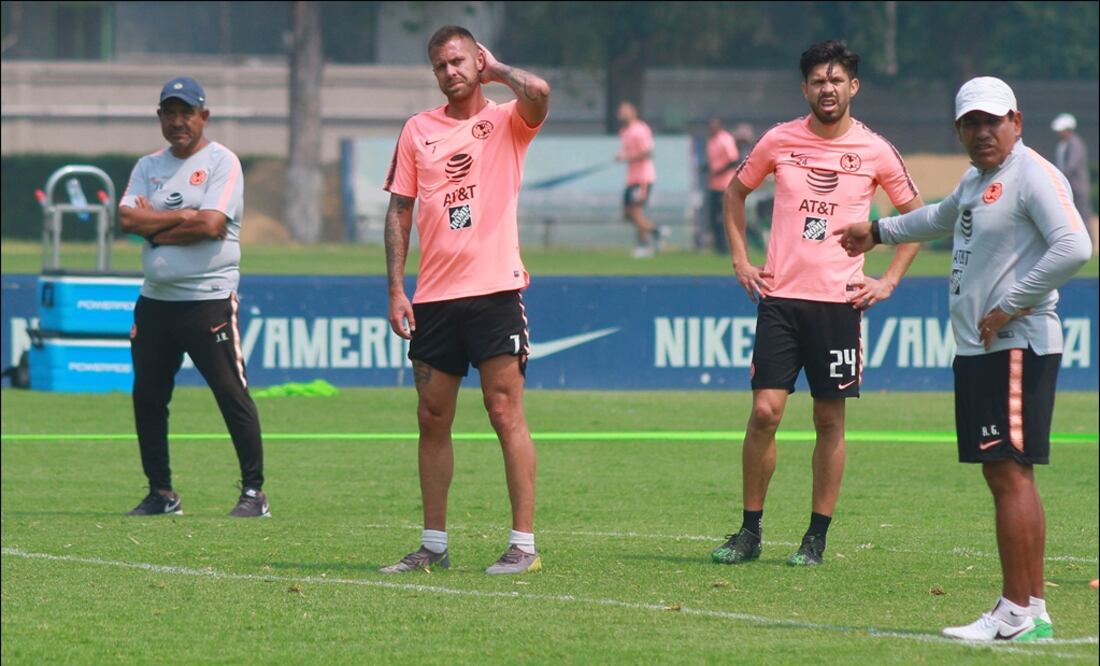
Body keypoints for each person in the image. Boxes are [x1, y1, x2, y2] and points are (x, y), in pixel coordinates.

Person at [836, 77, 1090, 642]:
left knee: (1009, 473)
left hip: (1015, 342)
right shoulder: (979, 181)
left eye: (992, 121)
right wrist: (875, 232)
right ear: (958, 130)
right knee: (1009, 474)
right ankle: (1033, 609)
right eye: (971, 123)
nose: (982, 131)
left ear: (1016, 122)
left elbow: (1075, 246)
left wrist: (1008, 304)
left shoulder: (1033, 175)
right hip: (984, 346)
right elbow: (938, 218)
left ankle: (1016, 611)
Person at [711, 40, 924, 567]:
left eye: (836, 80)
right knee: (765, 413)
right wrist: (741, 260)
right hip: (780, 299)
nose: (826, 89)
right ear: (804, 88)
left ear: (853, 87)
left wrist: (889, 281)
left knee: (829, 421)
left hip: (838, 305)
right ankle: (749, 531)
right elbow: (734, 194)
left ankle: (815, 537)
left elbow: (916, 216)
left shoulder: (875, 149)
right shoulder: (780, 140)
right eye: (817, 81)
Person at [380, 26, 550, 575]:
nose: (450, 73)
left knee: (504, 412)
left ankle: (523, 544)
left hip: (496, 290)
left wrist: (499, 70)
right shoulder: (417, 130)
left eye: (458, 62)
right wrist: (395, 288)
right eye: (440, 66)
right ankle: (433, 545)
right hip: (434, 299)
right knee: (432, 417)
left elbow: (541, 93)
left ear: (476, 61)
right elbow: (400, 210)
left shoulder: (506, 119)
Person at [119, 76, 269, 518]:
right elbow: (127, 221)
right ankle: (162, 493)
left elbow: (212, 225)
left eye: (187, 112)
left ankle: (254, 493)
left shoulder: (223, 162)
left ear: (203, 116)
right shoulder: (149, 166)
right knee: (148, 397)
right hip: (155, 301)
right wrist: (184, 214)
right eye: (170, 112)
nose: (178, 121)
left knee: (230, 392)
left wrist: (158, 224)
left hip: (208, 300)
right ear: (160, 117)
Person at [616, 101, 660, 258]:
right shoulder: (624, 131)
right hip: (631, 178)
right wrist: (621, 155)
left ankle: (645, 244)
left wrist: (627, 156)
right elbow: (627, 150)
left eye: (624, 110)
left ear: (633, 111)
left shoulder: (640, 129)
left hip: (643, 177)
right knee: (628, 214)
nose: (621, 113)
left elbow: (647, 152)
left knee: (636, 212)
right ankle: (655, 231)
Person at [1051, 113, 1097, 253]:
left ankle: (1090, 245)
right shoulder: (1061, 145)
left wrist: (1058, 176)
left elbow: (1071, 165)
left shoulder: (1076, 143)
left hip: (1078, 187)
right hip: (1065, 186)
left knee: (1084, 214)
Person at [702, 117, 740, 253]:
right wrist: (707, 168)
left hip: (725, 184)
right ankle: (719, 247)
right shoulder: (711, 141)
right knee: (714, 217)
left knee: (724, 217)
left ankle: (727, 246)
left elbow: (733, 160)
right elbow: (714, 162)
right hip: (714, 185)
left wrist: (719, 171)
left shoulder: (725, 139)